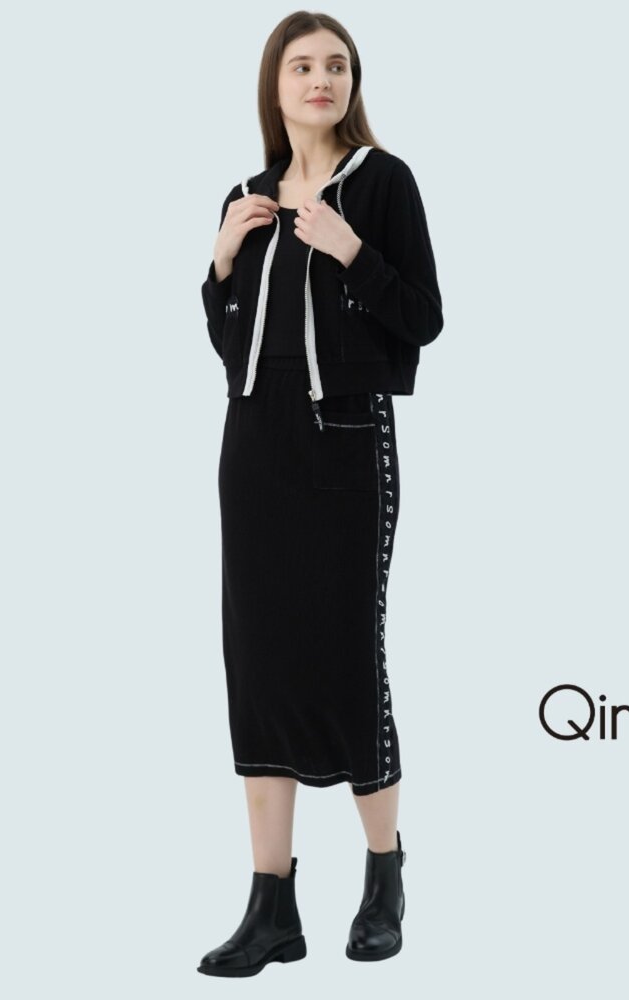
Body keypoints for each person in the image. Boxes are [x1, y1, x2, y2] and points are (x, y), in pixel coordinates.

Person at [197, 10, 443, 977]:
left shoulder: (382, 183)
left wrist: (350, 250)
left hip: (345, 447)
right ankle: (272, 907)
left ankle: (384, 877)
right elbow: (233, 348)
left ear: (352, 83)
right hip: (254, 449)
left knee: (346, 655)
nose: (321, 80)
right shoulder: (247, 196)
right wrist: (221, 263)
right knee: (258, 664)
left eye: (337, 65)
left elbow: (423, 318)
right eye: (302, 66)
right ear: (276, 84)